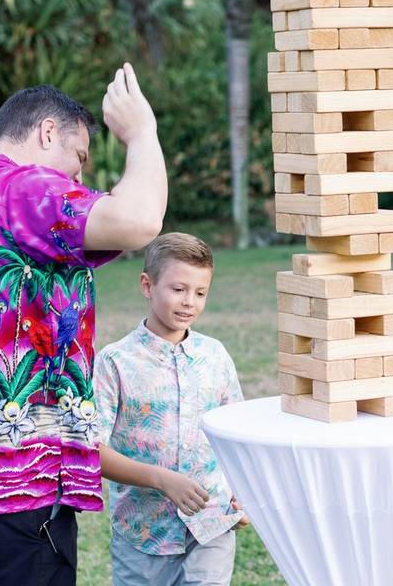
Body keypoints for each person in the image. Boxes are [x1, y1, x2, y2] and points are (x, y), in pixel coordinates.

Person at [0, 66, 207, 585]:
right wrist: (142, 133)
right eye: (79, 159)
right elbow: (140, 220)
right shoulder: (22, 189)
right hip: (17, 494)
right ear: (45, 134)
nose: (78, 180)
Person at [95, 232, 249, 586]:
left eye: (200, 293)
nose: (189, 303)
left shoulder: (215, 356)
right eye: (178, 289)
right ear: (147, 285)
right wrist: (161, 480)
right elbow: (92, 451)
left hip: (212, 526)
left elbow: (236, 436)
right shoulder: (115, 362)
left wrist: (245, 496)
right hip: (143, 534)